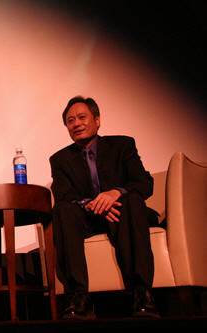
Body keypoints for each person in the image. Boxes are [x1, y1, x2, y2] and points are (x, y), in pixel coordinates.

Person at [49, 96, 159, 319]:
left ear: (97, 120)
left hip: (123, 214)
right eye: (70, 121)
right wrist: (94, 205)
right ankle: (78, 297)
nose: (76, 124)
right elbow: (63, 194)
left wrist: (115, 193)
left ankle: (141, 292)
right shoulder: (60, 159)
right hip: (88, 218)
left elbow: (144, 183)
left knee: (131, 200)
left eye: (82, 117)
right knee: (62, 210)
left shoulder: (122, 145)